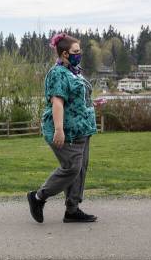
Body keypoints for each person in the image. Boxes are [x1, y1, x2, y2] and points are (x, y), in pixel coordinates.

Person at [27, 34, 98, 223]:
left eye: (79, 50)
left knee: (80, 168)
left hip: (82, 129)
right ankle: (37, 198)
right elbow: (57, 102)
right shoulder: (58, 73)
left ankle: (72, 210)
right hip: (65, 130)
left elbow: (77, 96)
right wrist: (59, 129)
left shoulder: (74, 71)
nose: (79, 54)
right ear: (65, 54)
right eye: (76, 51)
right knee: (71, 167)